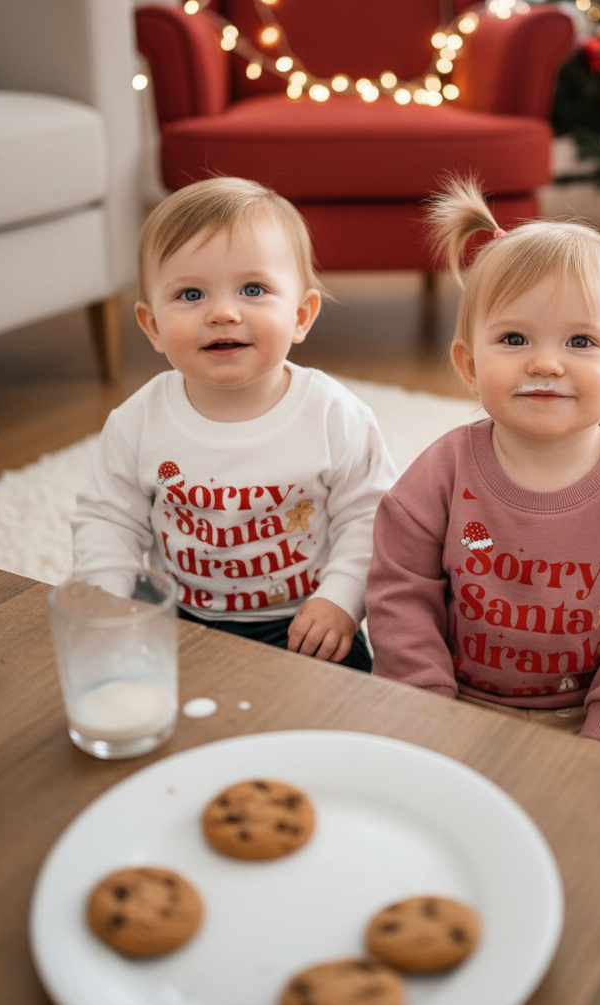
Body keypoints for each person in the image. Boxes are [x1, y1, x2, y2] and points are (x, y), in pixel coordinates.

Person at [366, 178, 600, 864]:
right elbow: (398, 591)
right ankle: (488, 829)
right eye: (513, 337)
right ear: (469, 365)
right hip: (459, 702)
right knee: (348, 726)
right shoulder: (443, 472)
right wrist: (426, 708)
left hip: (586, 712)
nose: (544, 361)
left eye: (580, 340)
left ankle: (598, 860)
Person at [72, 177, 396, 670]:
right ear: (153, 326)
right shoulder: (138, 421)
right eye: (190, 294)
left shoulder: (334, 415)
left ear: (302, 315)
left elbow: (370, 519)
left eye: (253, 289)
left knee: (343, 700)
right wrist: (109, 599)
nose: (223, 313)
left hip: (304, 621)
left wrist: (341, 599)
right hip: (179, 615)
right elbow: (108, 521)